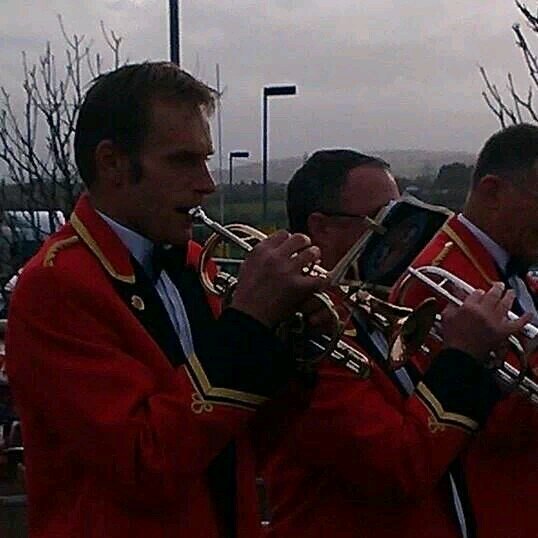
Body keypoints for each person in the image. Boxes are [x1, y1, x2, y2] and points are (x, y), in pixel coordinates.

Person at [4, 62, 325, 538]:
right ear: (112, 163)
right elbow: (142, 462)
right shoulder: (56, 285)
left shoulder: (196, 262)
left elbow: (242, 436)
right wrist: (250, 325)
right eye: (182, 161)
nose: (207, 183)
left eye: (205, 159)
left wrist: (292, 349)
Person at [253, 149, 531, 538]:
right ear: (322, 228)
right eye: (385, 218)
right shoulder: (305, 334)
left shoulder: (376, 309)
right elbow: (399, 465)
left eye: (405, 214)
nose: (407, 232)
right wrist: (462, 361)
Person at [391, 124, 538, 538]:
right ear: (492, 192)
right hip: (489, 510)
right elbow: (471, 422)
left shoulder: (507, 264)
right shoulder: (439, 279)